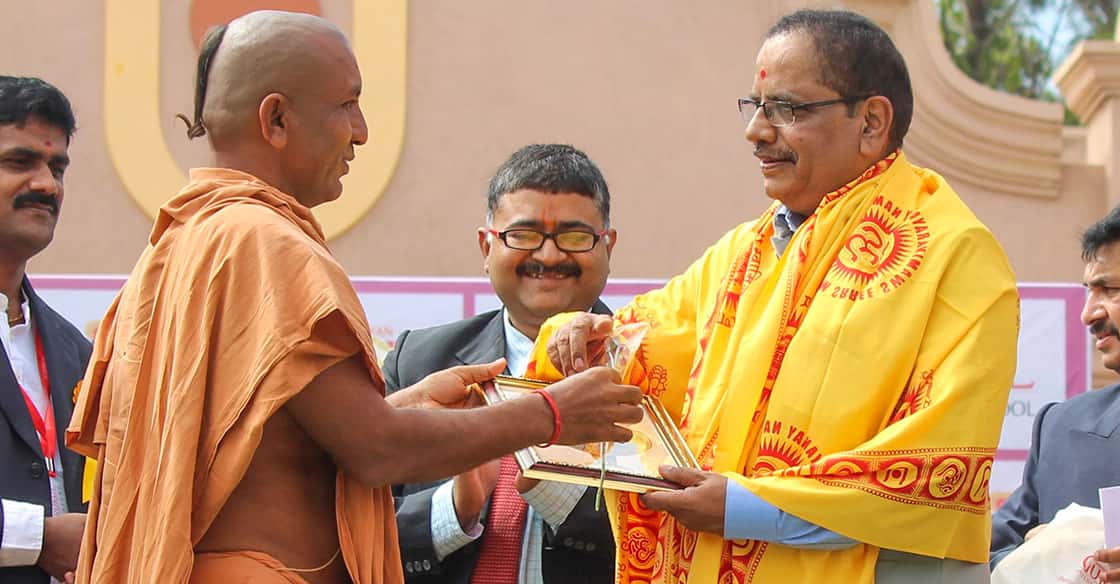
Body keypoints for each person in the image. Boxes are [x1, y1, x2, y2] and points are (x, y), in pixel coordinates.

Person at [64, 11, 643, 584]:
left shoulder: (179, 244)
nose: (361, 131)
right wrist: (552, 413)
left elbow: (272, 440)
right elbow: (375, 450)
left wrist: (408, 404)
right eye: (347, 104)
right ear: (277, 119)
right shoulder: (267, 242)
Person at [531, 8, 1019, 584]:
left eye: (787, 109)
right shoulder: (746, 249)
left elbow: (936, 471)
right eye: (755, 107)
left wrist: (743, 510)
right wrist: (584, 339)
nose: (756, 131)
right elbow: (651, 346)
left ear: (871, 122)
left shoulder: (951, 252)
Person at [385, 144, 617, 584]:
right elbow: (352, 527)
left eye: (573, 237)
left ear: (608, 246)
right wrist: (455, 509)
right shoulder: (418, 361)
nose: (549, 257)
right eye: (524, 235)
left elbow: (678, 533)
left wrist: (552, 487)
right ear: (486, 245)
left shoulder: (651, 364)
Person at [990, 205, 1120, 580]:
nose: (1089, 314)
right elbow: (991, 555)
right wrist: (1048, 553)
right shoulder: (1060, 427)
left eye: (1109, 289)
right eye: (1089, 292)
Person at [0, 76, 91, 584]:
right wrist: (37, 537)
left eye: (57, 168)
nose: (47, 185)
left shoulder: (74, 350)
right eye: (20, 162)